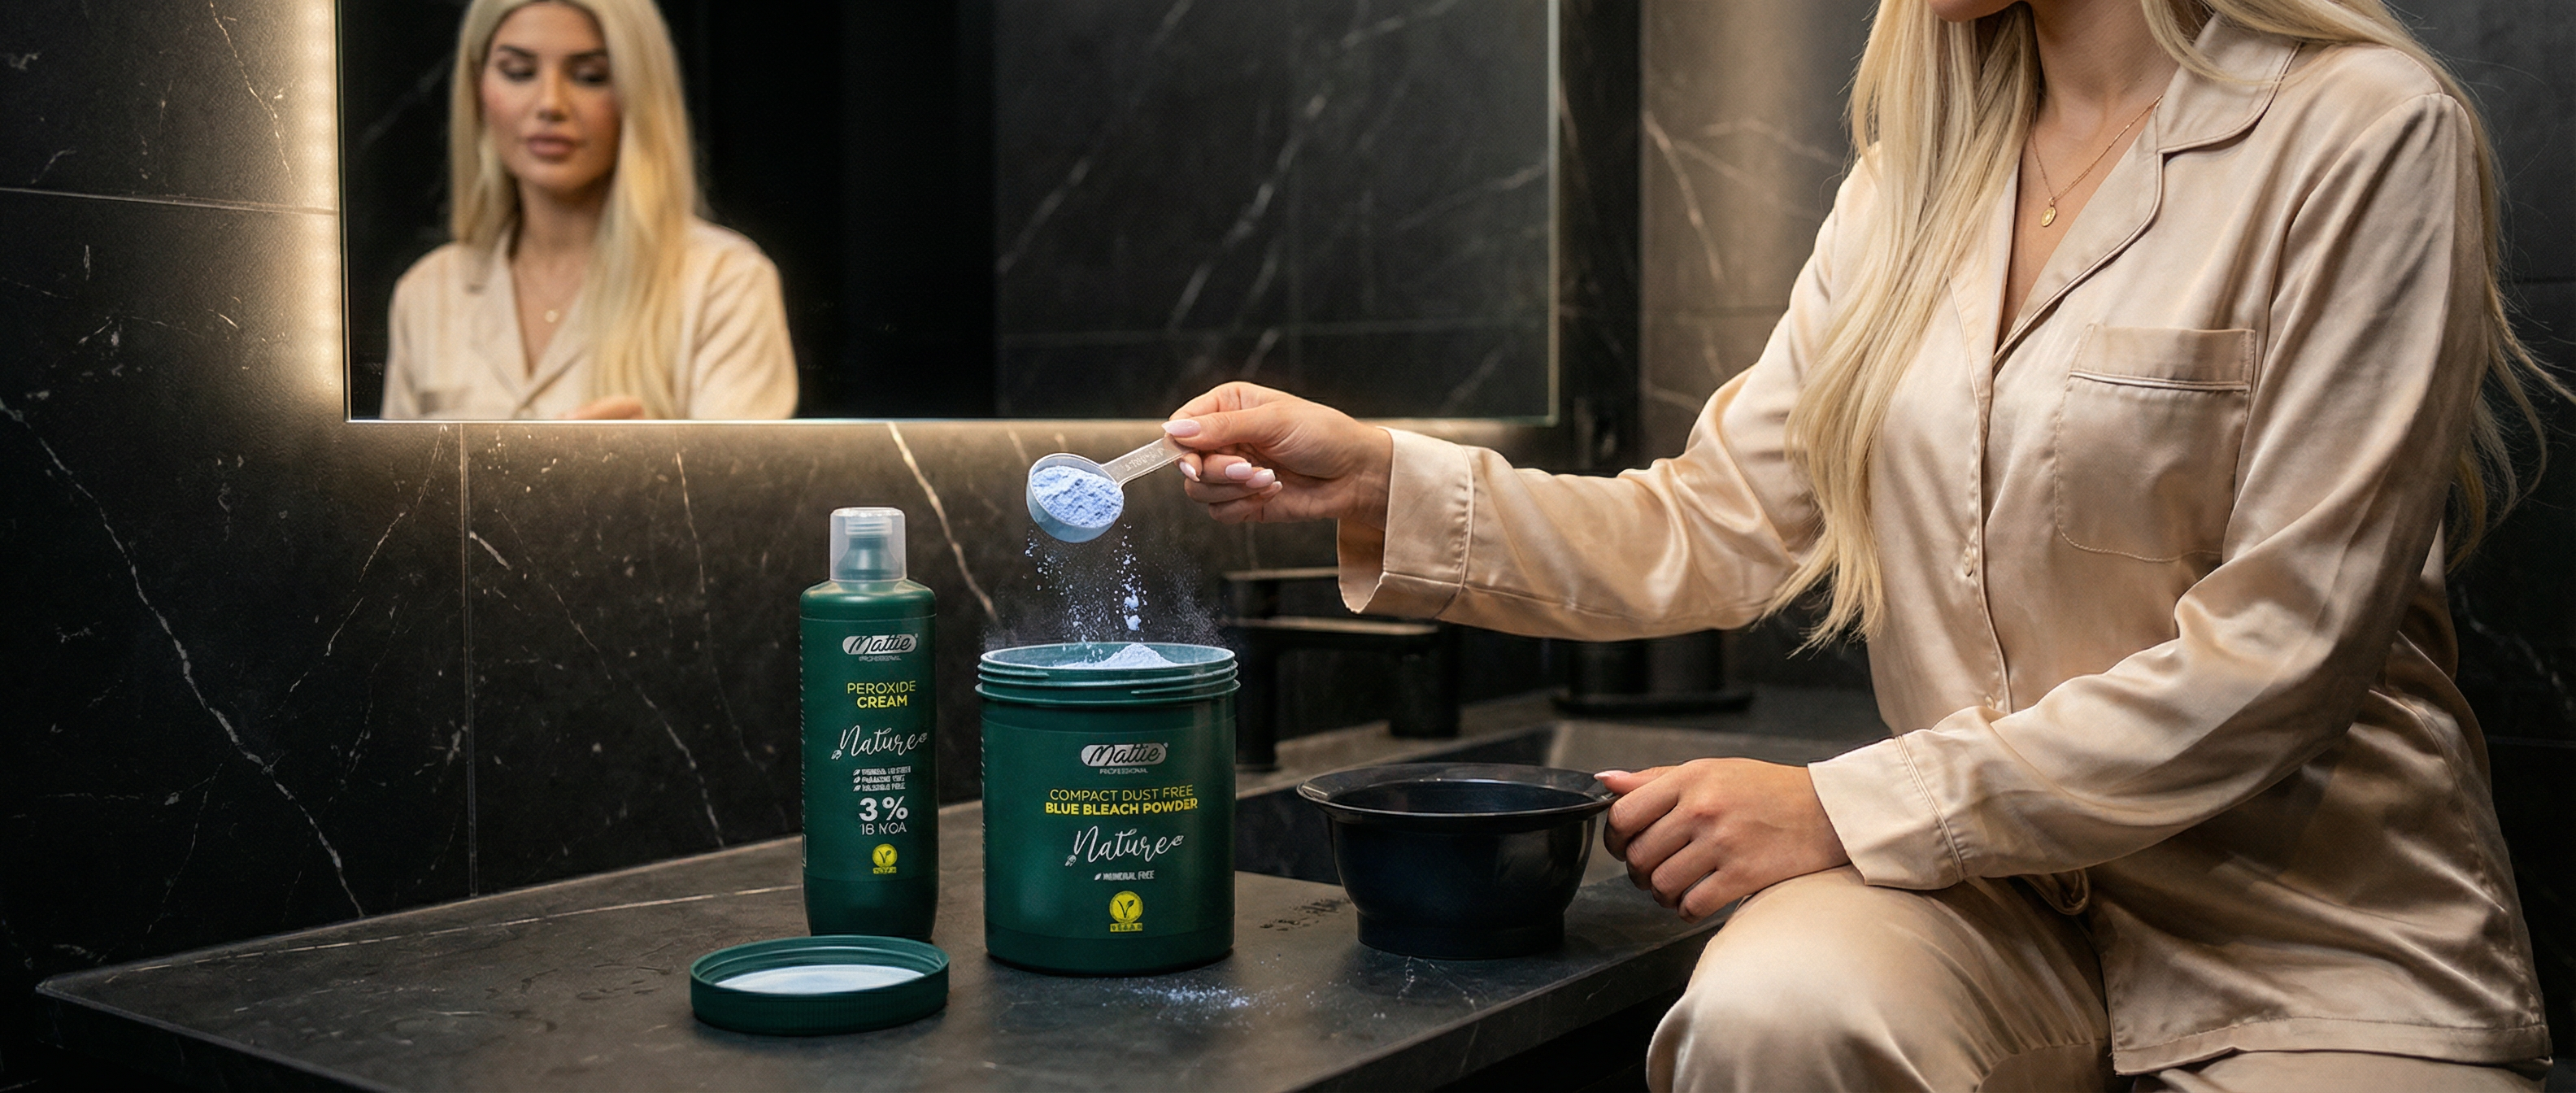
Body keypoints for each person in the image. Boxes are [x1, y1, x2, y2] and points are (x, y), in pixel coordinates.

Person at [1160, 0, 2560, 1088]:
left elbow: (2281, 652)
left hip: (2313, 935)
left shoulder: (2363, 132)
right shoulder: (1908, 188)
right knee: (1773, 1010)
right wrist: (1380, 476)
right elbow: (1709, 521)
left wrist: (1836, 808)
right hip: (1984, 898)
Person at [381, 0, 796, 420]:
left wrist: (647, 458)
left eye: (590, 77)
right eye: (519, 72)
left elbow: (743, 467)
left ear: (639, 91)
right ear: (476, 88)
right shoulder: (428, 292)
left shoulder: (723, 282)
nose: (550, 104)